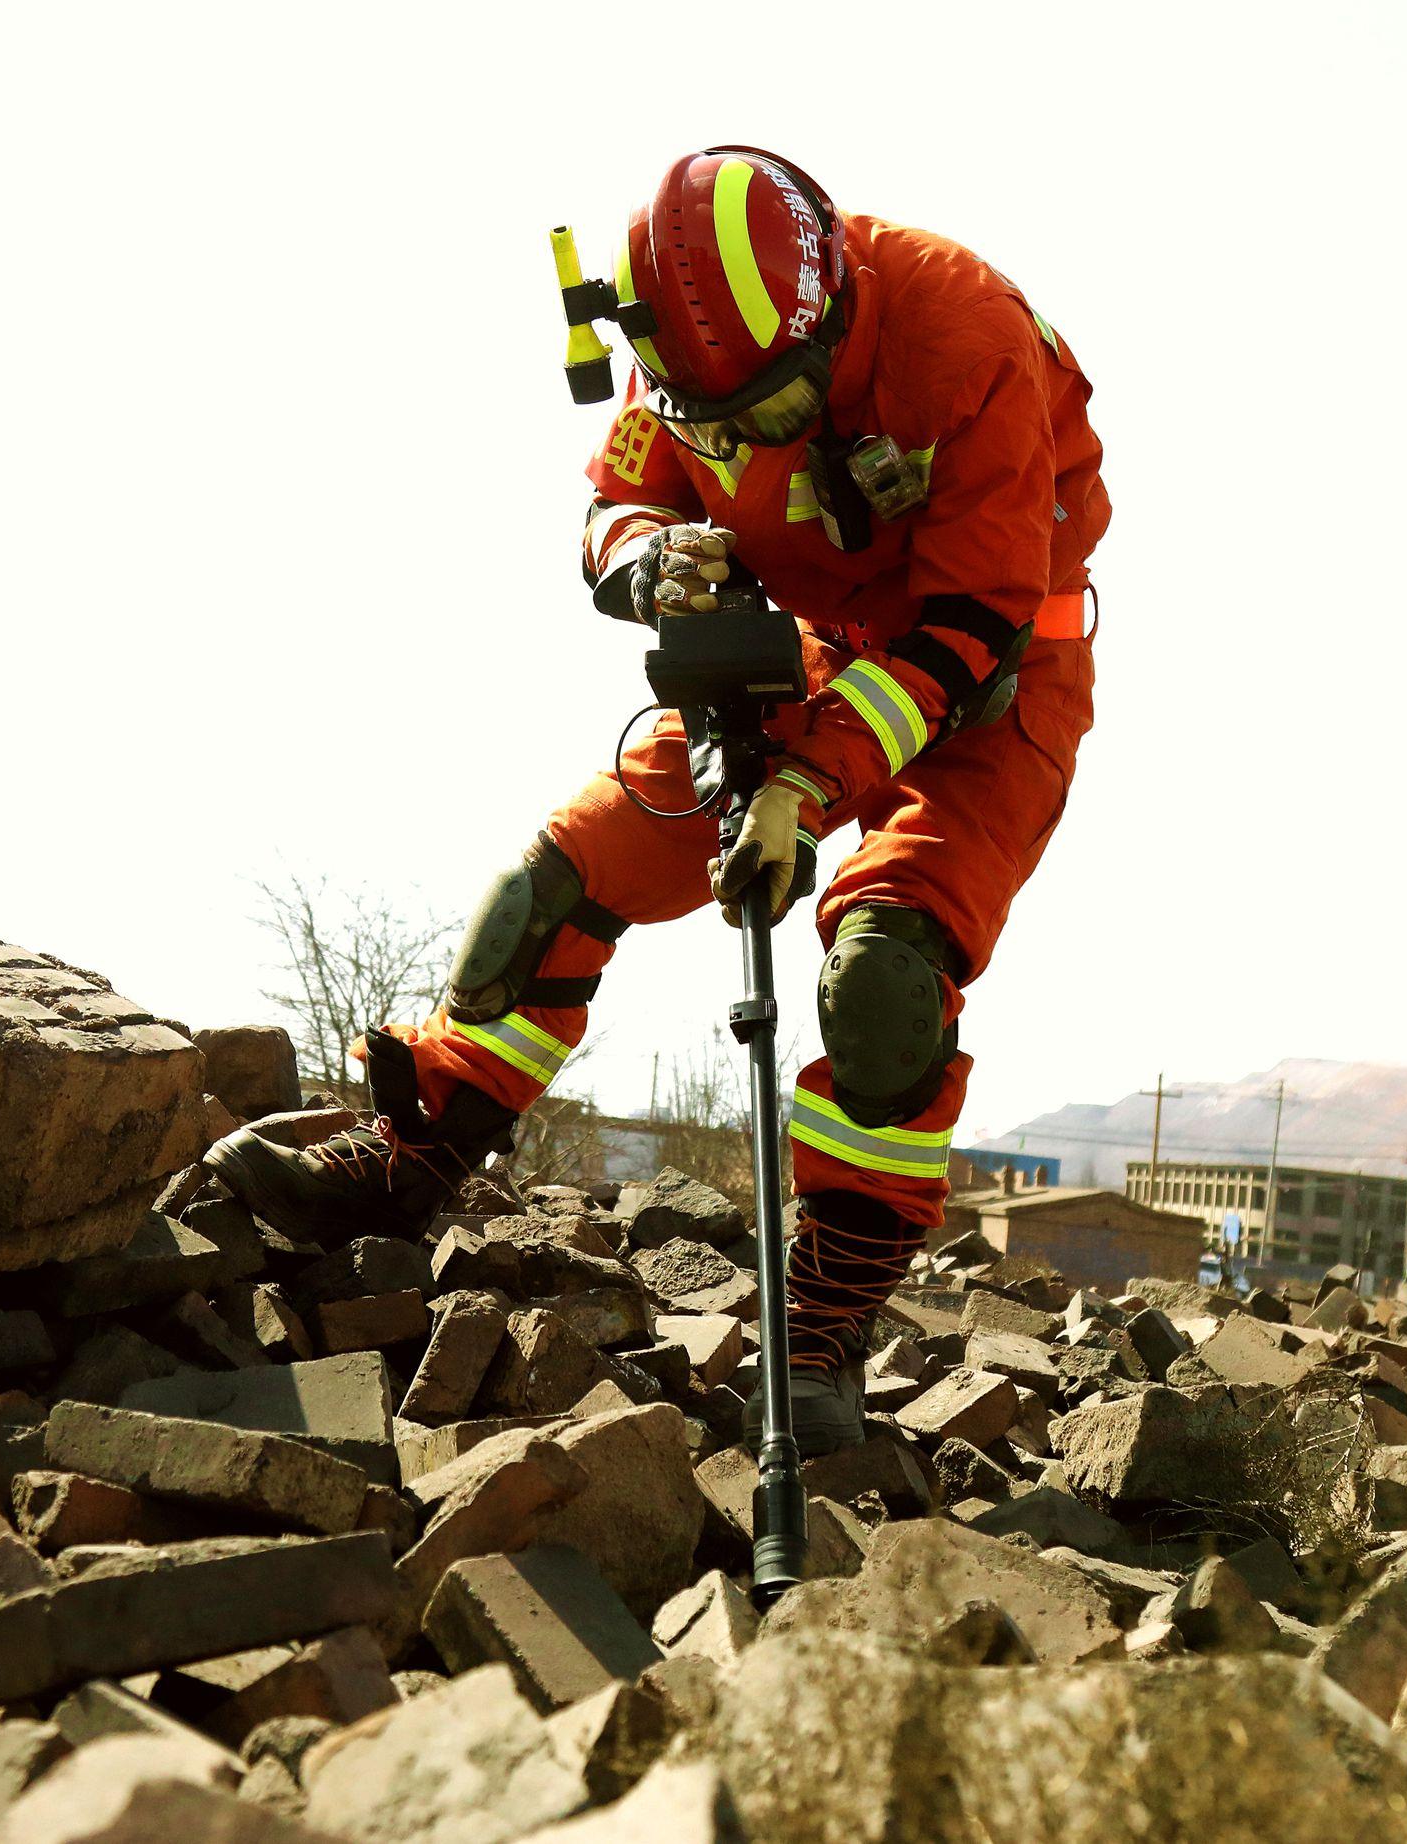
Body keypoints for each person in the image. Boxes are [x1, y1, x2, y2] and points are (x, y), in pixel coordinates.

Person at [208, 146, 1110, 1455]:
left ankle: (827, 1321)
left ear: (834, 311)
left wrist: (806, 785)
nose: (743, 442)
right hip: (803, 650)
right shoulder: (680, 350)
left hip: (996, 677)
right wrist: (648, 561)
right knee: (550, 893)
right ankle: (415, 1160)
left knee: (884, 979)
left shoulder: (965, 333)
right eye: (714, 419)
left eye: (773, 406)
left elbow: (968, 631)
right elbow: (616, 495)